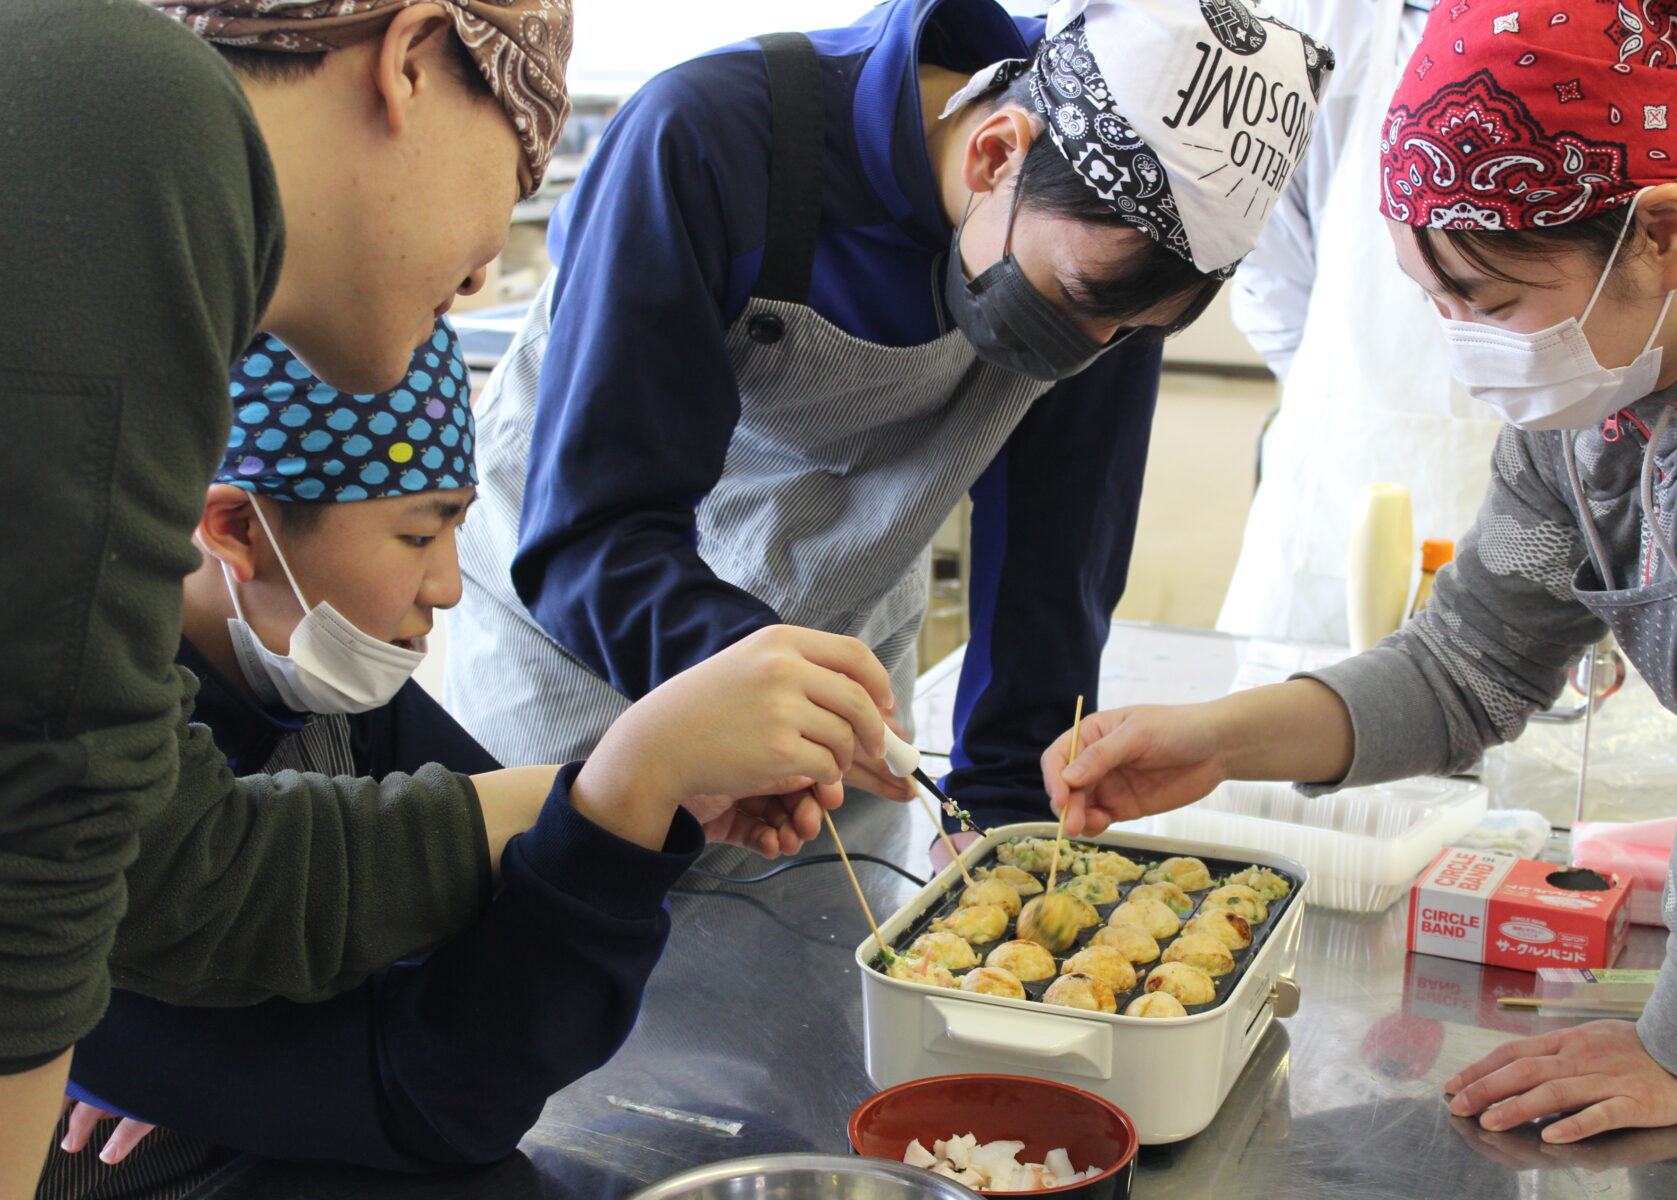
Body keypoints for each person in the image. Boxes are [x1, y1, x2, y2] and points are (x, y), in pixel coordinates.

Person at [1042, 0, 1677, 1146]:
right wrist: (1218, 741)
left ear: (1662, 236)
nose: (1466, 343)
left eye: (1490, 302)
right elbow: (1469, 663)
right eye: (1435, 301)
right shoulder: (1589, 409)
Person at [33, 324, 881, 1197]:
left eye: (457, 531)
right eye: (415, 537)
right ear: (238, 527)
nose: (446, 584)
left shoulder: (335, 699)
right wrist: (627, 781)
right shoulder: (80, 789)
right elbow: (436, 1097)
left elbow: (498, 927)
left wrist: (646, 807)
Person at [444, 0, 1335, 831]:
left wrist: (1007, 814)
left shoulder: (1116, 259)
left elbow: (1055, 565)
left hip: (839, 688)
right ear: (994, 155)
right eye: (1071, 303)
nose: (1090, 347)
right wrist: (764, 698)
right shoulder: (708, 141)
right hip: (578, 639)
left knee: (816, 970)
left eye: (1131, 331)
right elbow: (595, 529)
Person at [0, 2, 577, 1190]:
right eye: (514, 173)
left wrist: (617, 792)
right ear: (413, 60)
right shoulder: (139, 114)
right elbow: (45, 838)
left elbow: (157, 868)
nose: (480, 270)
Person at [1217, 0, 1504, 646]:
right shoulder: (1323, 19)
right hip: (1335, 479)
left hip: (1551, 498)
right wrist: (1344, 384)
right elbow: (1269, 266)